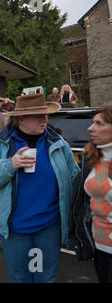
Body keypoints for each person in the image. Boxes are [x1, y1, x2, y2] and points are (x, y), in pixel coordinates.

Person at [0, 93, 80, 283]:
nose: (45, 119)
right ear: (21, 118)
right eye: (39, 115)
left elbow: (74, 176)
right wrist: (10, 164)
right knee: (21, 278)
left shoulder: (57, 143)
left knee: (45, 277)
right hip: (15, 231)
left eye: (46, 115)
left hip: (48, 228)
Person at [83, 102, 112, 283]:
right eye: (93, 122)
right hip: (100, 246)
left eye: (99, 124)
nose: (90, 128)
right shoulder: (94, 157)